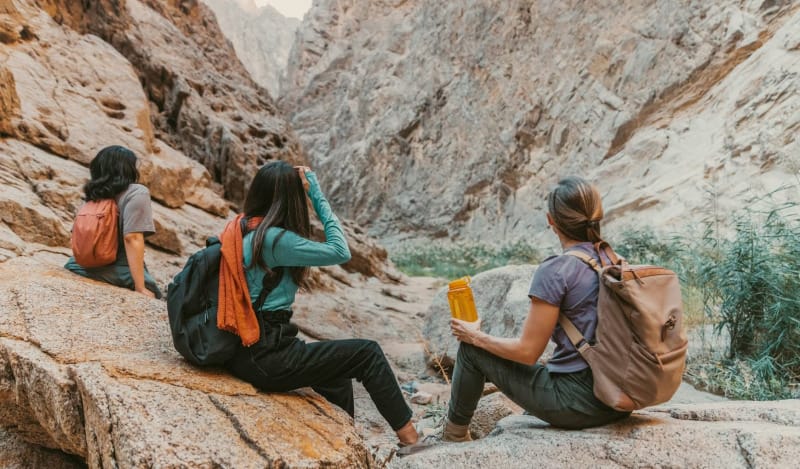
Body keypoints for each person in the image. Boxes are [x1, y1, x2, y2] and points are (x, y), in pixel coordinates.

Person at [222, 161, 419, 447]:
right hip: (265, 356)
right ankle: (412, 441)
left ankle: (344, 440)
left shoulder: (247, 227)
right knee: (367, 353)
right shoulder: (275, 240)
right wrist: (316, 193)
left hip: (247, 350)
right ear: (291, 199)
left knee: (335, 374)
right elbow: (341, 250)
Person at [444, 176, 630, 440]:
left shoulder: (556, 270)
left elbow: (528, 352)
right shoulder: (615, 262)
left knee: (472, 350)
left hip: (579, 404)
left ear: (551, 220)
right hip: (619, 398)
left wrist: (474, 336)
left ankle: (453, 437)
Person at [65, 145, 162, 298]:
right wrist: (140, 287)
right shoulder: (137, 192)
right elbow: (133, 237)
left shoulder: (94, 195)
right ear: (128, 168)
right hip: (121, 271)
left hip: (79, 266)